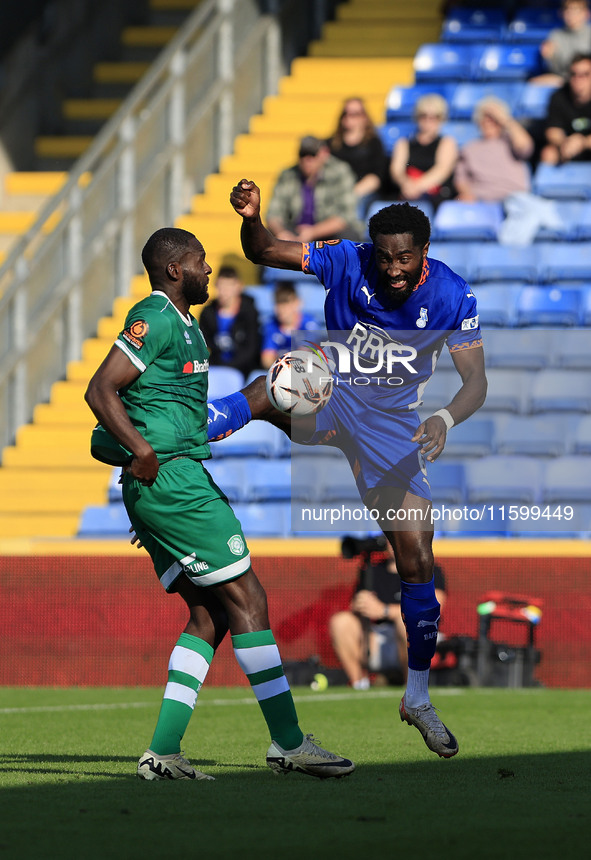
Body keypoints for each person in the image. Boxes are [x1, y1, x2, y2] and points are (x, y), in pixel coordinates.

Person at [213, 179, 489, 759]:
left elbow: (475, 382)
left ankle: (417, 697)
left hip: (394, 429)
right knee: (283, 380)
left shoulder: (452, 296)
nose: (392, 268)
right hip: (333, 396)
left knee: (417, 560)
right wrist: (253, 216)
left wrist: (443, 418)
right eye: (385, 256)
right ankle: (195, 430)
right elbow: (264, 250)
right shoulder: (346, 259)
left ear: (424, 253)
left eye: (404, 257)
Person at [85, 227, 354, 781]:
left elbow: (181, 417)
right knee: (247, 597)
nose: (210, 271)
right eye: (201, 262)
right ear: (176, 269)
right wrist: (140, 456)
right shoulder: (155, 317)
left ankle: (162, 752)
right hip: (172, 481)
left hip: (171, 478)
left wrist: (276, 408)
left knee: (208, 615)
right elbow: (99, 388)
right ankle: (289, 742)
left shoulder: (191, 330)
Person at [330, 540, 447, 691]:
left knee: (405, 620)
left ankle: (413, 689)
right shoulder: (373, 571)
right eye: (391, 538)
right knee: (340, 621)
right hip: (377, 638)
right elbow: (356, 608)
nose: (396, 543)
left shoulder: (427, 570)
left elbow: (431, 608)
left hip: (416, 638)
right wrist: (361, 604)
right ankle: (359, 684)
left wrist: (384, 610)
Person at [266, 134, 364, 243]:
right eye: (303, 154)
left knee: (348, 237)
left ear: (324, 154)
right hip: (295, 231)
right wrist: (281, 233)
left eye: (312, 154)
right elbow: (273, 214)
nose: (307, 159)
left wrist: (312, 232)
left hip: (328, 233)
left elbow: (345, 217)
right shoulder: (287, 175)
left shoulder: (340, 172)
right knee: (267, 236)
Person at [453, 96, 535, 202]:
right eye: (484, 118)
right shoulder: (469, 148)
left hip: (514, 198)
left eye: (493, 118)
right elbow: (461, 179)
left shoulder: (511, 141)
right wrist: (466, 193)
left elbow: (525, 147)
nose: (488, 122)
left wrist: (506, 120)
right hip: (482, 200)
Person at [389, 93, 458, 211]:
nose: (428, 120)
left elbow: (442, 170)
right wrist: (406, 185)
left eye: (434, 116)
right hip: (408, 195)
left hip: (435, 198)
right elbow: (397, 171)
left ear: (441, 118)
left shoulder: (447, 143)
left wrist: (417, 187)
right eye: (423, 115)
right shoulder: (404, 143)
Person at [326, 96, 389, 217]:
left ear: (364, 117)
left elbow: (376, 178)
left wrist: (351, 194)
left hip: (362, 193)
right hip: (335, 192)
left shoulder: (373, 143)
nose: (349, 117)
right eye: (346, 113)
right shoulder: (331, 144)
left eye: (355, 114)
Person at [198, 265, 261, 380]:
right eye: (221, 287)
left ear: (238, 287)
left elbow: (251, 349)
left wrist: (228, 368)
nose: (224, 292)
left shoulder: (250, 312)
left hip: (244, 370)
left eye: (228, 287)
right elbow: (202, 345)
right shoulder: (208, 313)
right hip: (215, 368)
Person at [539, 52, 591, 163]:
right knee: (548, 153)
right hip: (567, 149)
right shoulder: (559, 96)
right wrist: (565, 143)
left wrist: (583, 142)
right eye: (574, 74)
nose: (578, 79)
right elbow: (552, 131)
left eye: (585, 74)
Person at [260, 281, 320, 369]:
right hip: (280, 371)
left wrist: (280, 360)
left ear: (297, 303)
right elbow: (266, 360)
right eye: (278, 304)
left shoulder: (309, 324)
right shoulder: (271, 325)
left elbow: (304, 356)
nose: (281, 309)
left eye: (286, 303)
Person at [532, 0, 591, 87]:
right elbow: (555, 69)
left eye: (576, 10)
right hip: (562, 79)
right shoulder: (555, 35)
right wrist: (549, 57)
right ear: (561, 13)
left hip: (586, 79)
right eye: (568, 11)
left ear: (586, 13)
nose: (571, 15)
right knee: (534, 83)